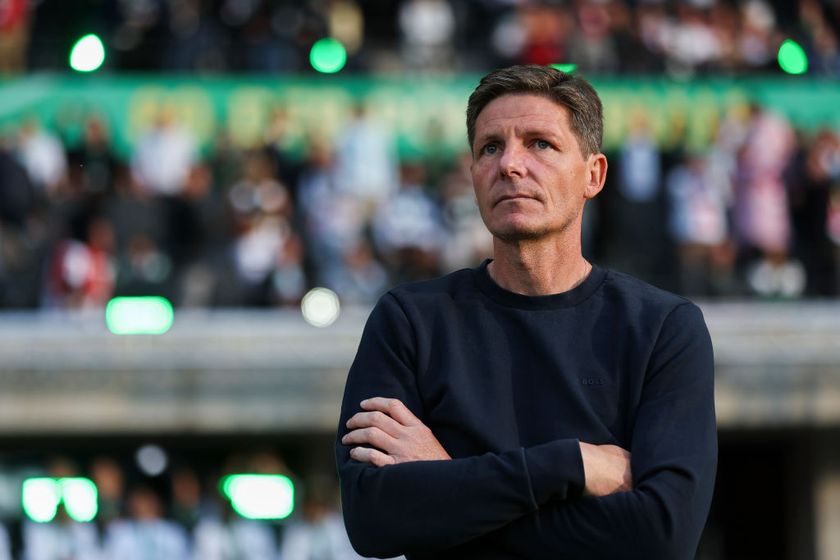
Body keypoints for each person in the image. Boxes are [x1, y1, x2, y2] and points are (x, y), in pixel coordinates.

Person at [336, 65, 717, 559]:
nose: (510, 165)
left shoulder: (663, 328)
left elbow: (663, 538)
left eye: (540, 143)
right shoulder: (409, 321)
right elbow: (371, 520)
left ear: (594, 175)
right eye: (490, 148)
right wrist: (570, 465)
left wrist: (448, 478)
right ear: (472, 175)